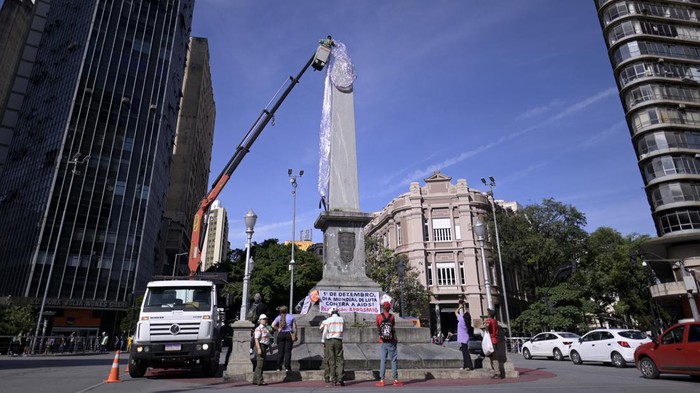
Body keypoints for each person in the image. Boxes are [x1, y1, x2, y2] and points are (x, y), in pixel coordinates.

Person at [375, 301, 403, 387]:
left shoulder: (378, 316)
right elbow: (393, 327)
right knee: (393, 360)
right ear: (389, 308)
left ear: (383, 307)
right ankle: (395, 379)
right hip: (392, 341)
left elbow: (378, 326)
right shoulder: (392, 317)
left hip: (383, 341)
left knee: (383, 360)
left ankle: (382, 380)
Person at [320, 306, 345, 387]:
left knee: (331, 360)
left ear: (331, 313)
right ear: (337, 312)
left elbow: (324, 332)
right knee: (340, 359)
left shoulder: (328, 320)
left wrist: (323, 341)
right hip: (338, 340)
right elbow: (344, 328)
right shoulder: (341, 319)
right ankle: (340, 377)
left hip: (330, 340)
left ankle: (333, 379)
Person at [272, 305, 297, 372]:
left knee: (280, 351)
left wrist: (278, 329)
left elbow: (272, 325)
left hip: (281, 334)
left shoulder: (278, 317)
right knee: (288, 351)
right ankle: (287, 367)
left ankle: (278, 367)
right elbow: (294, 328)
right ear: (287, 310)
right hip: (289, 334)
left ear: (280, 311)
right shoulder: (291, 317)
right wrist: (295, 335)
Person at [484, 308, 506, 379]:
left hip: (491, 340)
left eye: (488, 313)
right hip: (495, 340)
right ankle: (495, 371)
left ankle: (497, 372)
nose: (487, 314)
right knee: (491, 357)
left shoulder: (489, 321)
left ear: (490, 314)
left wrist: (485, 324)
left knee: (494, 357)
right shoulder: (495, 321)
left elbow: (487, 327)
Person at [253, 314, 272, 386]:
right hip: (261, 345)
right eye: (263, 319)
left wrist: (270, 347)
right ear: (260, 320)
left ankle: (255, 379)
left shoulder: (266, 328)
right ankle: (260, 380)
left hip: (265, 345)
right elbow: (256, 339)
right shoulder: (259, 328)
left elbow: (267, 338)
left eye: (266, 319)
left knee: (260, 364)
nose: (265, 320)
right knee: (260, 364)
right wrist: (258, 348)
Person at [455, 303, 474, 371]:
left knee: (465, 353)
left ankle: (469, 366)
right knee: (465, 352)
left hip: (463, 338)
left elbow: (456, 312)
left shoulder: (461, 320)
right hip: (466, 337)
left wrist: (459, 307)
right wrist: (465, 307)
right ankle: (465, 365)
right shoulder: (467, 322)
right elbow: (467, 315)